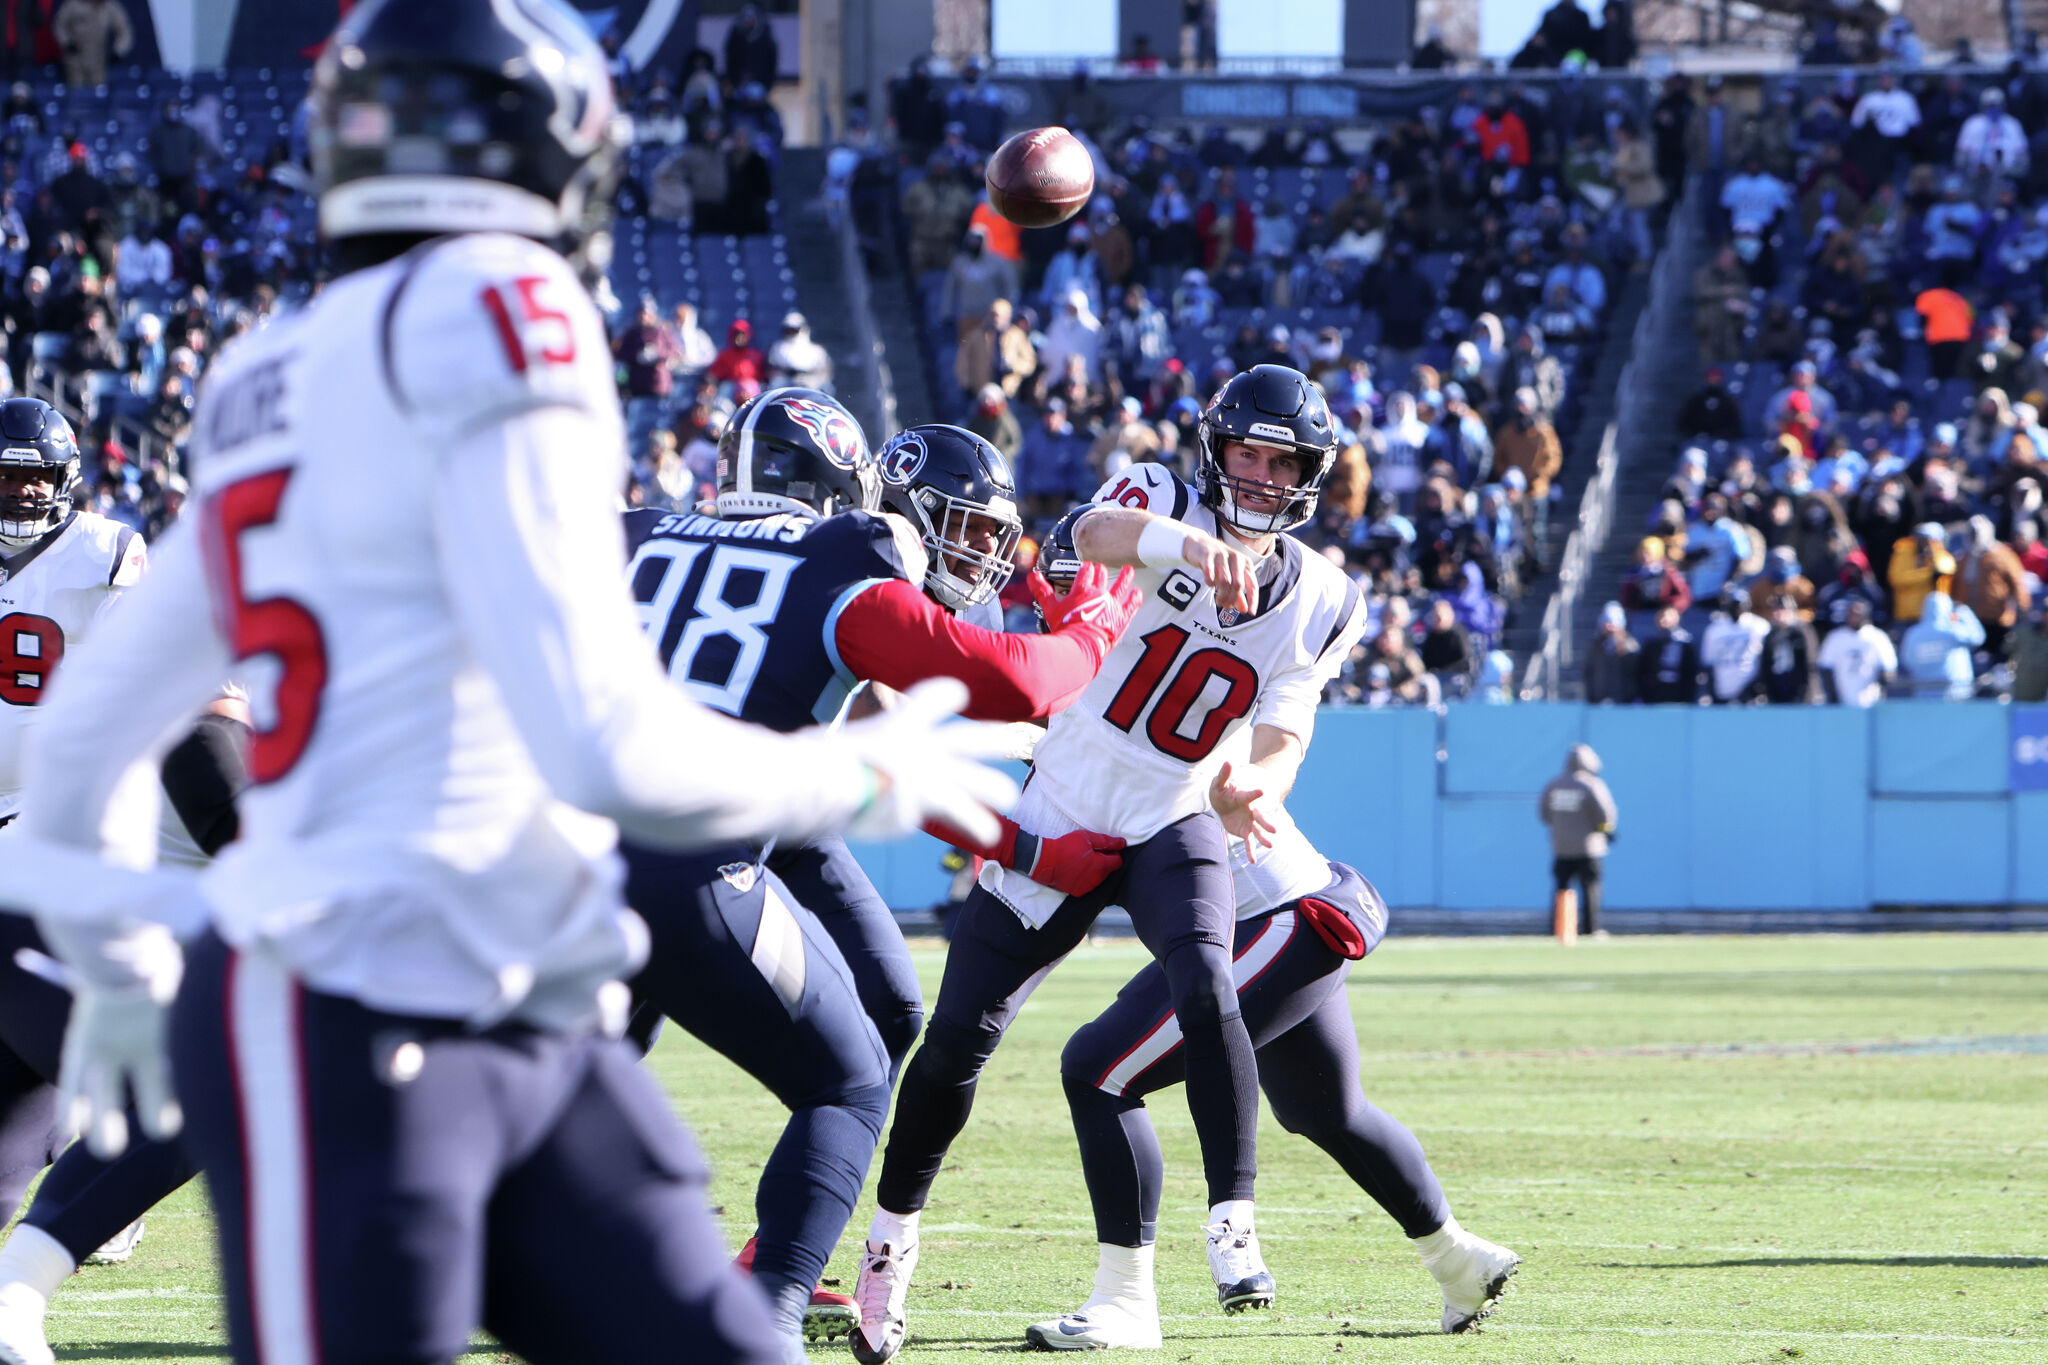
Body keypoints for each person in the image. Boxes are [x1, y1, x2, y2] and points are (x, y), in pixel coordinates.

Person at [1, 7, 1018, 1365]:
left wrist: (128, 979)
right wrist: (855, 772)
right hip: (393, 998)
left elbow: (92, 732)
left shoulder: (257, 376)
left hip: (416, 995)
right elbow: (604, 747)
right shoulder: (512, 318)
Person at [851, 365, 1369, 1363]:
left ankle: (1232, 1225)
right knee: (959, 1038)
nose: (1262, 476)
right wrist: (1188, 547)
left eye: (1284, 461)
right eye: (1249, 452)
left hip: (1174, 812)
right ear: (1216, 450)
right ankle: (889, 1245)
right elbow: (1092, 538)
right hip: (1072, 794)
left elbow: (1284, 726)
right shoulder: (1157, 496)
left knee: (1205, 976)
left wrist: (1260, 784)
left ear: (1309, 475)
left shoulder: (1321, 595)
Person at [617, 408, 1140, 1354]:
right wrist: (1097, 633)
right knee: (849, 1075)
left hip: (594, 835)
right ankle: (761, 1312)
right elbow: (990, 694)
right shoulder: (841, 558)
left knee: (886, 1011)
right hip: (706, 836)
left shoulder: (641, 529)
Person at [1039, 803, 1518, 1348]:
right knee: (1324, 1108)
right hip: (1294, 902)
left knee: (1098, 1070)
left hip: (1266, 915)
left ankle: (1124, 1300)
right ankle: (1459, 1261)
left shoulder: (1100, 735)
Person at [1538, 745, 1617, 938]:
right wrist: (1607, 832)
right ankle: (1590, 928)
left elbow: (1544, 815)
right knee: (1590, 888)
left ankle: (1558, 928)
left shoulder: (1553, 785)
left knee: (1561, 888)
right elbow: (1604, 815)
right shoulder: (1591, 785)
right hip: (1589, 847)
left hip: (1561, 847)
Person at [1898, 592, 1984, 699]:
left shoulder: (1913, 634)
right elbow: (1978, 637)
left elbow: (1906, 661)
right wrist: (1964, 612)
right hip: (1955, 695)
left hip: (1923, 696)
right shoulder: (1952, 631)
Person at [1817, 598, 1896, 705]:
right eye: (1852, 614)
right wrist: (1833, 697)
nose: (1854, 618)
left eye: (1858, 614)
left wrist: (1880, 692)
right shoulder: (1835, 638)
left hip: (1871, 702)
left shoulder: (1878, 637)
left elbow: (1888, 668)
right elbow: (1825, 668)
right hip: (1842, 701)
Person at [52, 0, 131, 89]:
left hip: (98, 60)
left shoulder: (109, 6)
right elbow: (59, 25)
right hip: (75, 59)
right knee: (77, 93)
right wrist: (66, 42)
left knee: (98, 92)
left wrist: (118, 51)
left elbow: (124, 31)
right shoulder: (73, 4)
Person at [1637, 605, 1700, 703]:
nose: (1664, 619)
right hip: (1655, 695)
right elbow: (1642, 672)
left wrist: (1687, 697)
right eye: (1661, 616)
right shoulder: (1651, 644)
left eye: (1668, 616)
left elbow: (1691, 672)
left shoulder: (1686, 644)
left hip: (1679, 695)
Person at [1586, 601, 1640, 703]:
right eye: (1605, 622)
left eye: (1611, 623)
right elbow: (1588, 673)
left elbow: (1634, 676)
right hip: (1599, 701)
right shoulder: (1595, 646)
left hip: (1623, 702)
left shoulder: (1631, 647)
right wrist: (1591, 697)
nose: (1608, 627)